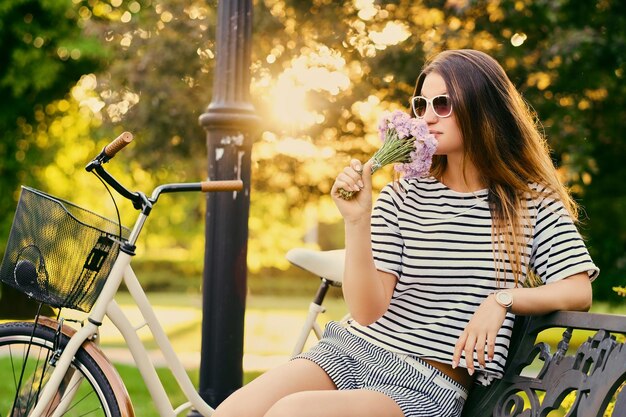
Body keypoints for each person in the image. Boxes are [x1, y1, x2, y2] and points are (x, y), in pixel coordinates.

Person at [213, 49, 599, 417]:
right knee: (230, 412)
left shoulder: (527, 202)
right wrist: (356, 220)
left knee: (290, 413)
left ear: (484, 107)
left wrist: (502, 300)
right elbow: (366, 311)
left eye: (442, 104)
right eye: (421, 105)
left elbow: (578, 289)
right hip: (350, 350)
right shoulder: (402, 194)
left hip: (425, 383)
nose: (427, 117)